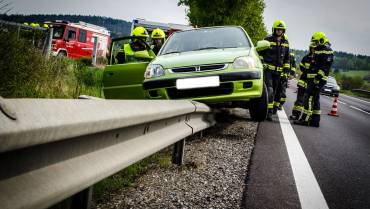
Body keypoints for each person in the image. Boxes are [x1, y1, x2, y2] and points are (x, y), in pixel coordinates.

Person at [294, 32, 334, 127]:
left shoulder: (327, 51)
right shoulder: (318, 50)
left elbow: (324, 67)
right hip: (313, 79)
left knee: (308, 98)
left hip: (317, 79)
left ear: (321, 40)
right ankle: (315, 121)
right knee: (315, 99)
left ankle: (305, 119)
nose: (315, 44)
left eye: (316, 42)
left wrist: (317, 79)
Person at [258, 20, 290, 120]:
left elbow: (287, 59)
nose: (279, 31)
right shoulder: (267, 39)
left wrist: (286, 72)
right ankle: (268, 113)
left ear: (283, 31)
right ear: (274, 29)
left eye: (281, 30)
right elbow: (260, 53)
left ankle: (271, 111)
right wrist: (263, 64)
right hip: (268, 71)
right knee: (270, 91)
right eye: (277, 29)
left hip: (279, 72)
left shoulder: (286, 43)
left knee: (276, 92)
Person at [290, 46, 314, 120]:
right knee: (299, 99)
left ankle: (308, 117)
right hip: (303, 82)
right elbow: (301, 67)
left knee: (309, 101)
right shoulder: (306, 57)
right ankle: (296, 115)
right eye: (312, 48)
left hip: (311, 83)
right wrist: (308, 72)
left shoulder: (319, 59)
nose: (313, 49)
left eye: (315, 48)